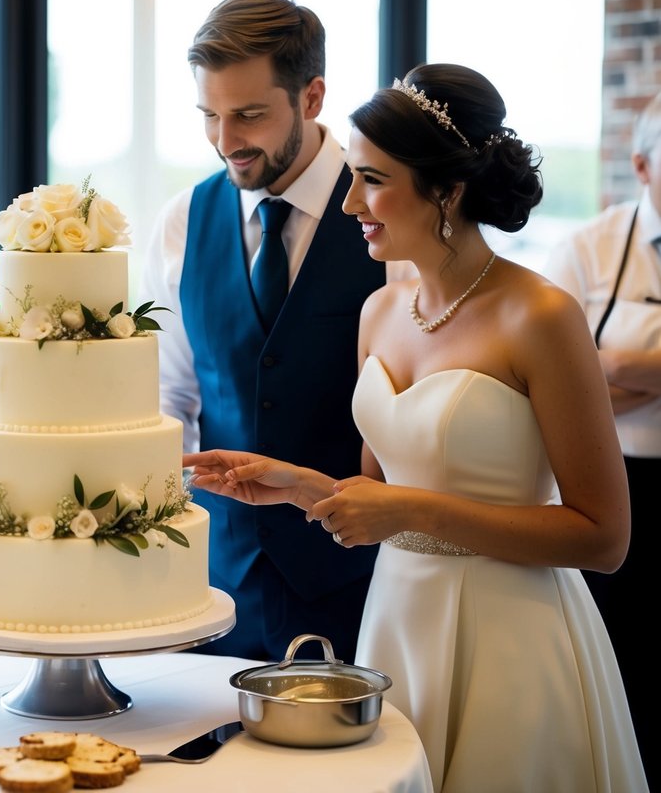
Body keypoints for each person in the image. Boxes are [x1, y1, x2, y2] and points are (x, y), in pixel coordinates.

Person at [184, 64, 646, 791]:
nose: (348, 204)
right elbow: (382, 493)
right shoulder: (379, 313)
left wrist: (410, 510)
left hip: (509, 635)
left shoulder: (542, 317)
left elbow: (603, 538)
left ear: (447, 190)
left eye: (370, 179)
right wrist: (300, 487)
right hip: (397, 617)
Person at [140, 0, 405, 662]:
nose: (225, 142)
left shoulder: (388, 217)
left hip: (360, 580)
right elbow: (170, 395)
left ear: (311, 98)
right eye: (209, 116)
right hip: (212, 582)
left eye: (249, 116)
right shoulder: (181, 221)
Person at [543, 90, 661, 787]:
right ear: (642, 165)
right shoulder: (586, 250)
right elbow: (554, 392)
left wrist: (619, 366)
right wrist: (607, 376)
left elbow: (594, 374)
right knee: (623, 674)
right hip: (613, 486)